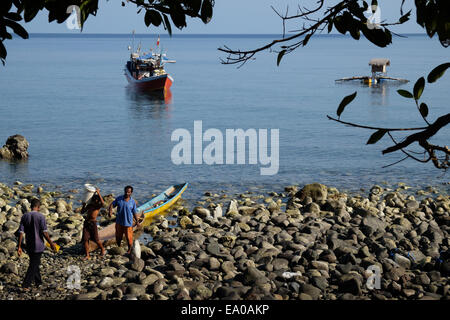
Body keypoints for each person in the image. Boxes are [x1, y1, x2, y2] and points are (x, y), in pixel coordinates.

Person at [17, 198, 56, 291]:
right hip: (38, 245)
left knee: (34, 262)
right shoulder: (41, 217)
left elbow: (21, 232)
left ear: (31, 206)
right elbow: (44, 233)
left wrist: (19, 246)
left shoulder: (25, 216)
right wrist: (51, 243)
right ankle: (26, 285)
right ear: (38, 207)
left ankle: (38, 282)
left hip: (29, 244)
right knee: (33, 264)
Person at [108, 185, 141, 254]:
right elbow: (112, 205)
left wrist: (137, 222)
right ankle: (119, 246)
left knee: (129, 237)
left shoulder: (132, 202)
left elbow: (134, 212)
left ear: (131, 193)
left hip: (128, 222)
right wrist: (110, 211)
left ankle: (129, 249)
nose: (127, 193)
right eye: (126, 192)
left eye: (128, 192)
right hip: (119, 221)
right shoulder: (119, 199)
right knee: (118, 236)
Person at [81, 188, 106, 260]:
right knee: (85, 239)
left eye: (96, 201)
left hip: (93, 223)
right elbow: (82, 212)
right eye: (94, 200)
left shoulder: (97, 206)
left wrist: (98, 193)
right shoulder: (90, 205)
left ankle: (102, 249)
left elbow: (103, 203)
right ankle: (87, 255)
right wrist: (84, 205)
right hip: (87, 223)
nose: (95, 202)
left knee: (96, 239)